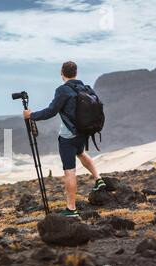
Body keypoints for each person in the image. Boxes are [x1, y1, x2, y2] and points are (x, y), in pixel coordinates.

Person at [23, 61, 106, 217]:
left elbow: (51, 111)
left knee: (70, 171)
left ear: (62, 73)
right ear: (76, 72)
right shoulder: (85, 88)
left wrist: (31, 116)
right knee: (81, 152)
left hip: (68, 137)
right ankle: (98, 179)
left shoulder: (63, 90)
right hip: (84, 131)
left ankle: (71, 209)